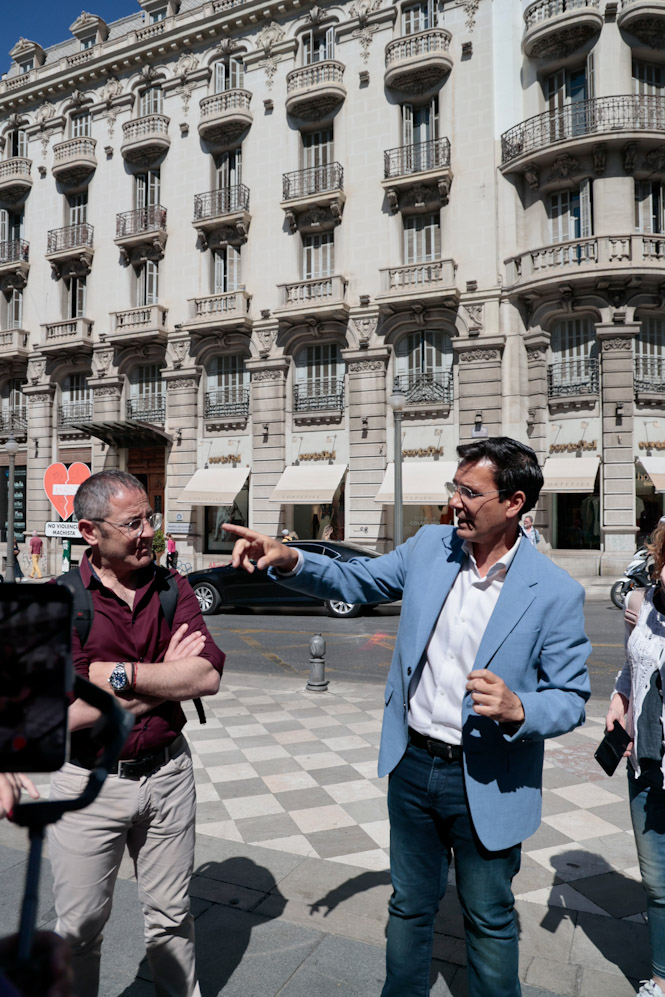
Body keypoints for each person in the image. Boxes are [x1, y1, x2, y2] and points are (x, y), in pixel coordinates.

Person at [223, 437, 591, 997]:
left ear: (514, 503)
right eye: (455, 489)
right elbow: (357, 581)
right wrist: (291, 558)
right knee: (409, 906)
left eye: (471, 492)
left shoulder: (555, 592)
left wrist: (521, 708)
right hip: (414, 763)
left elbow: (571, 695)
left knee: (490, 919)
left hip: (488, 776)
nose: (456, 504)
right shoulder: (429, 547)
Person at [47, 470, 225, 997]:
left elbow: (207, 676)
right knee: (78, 931)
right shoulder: (59, 602)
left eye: (150, 518)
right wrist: (162, 678)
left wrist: (113, 675)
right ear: (90, 531)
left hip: (169, 775)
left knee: (172, 918)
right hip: (88, 786)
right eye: (133, 523)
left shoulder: (174, 587)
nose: (149, 531)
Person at [606, 519, 665, 997]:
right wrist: (619, 698)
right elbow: (632, 668)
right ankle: (661, 978)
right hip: (645, 764)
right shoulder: (640, 608)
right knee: (657, 882)